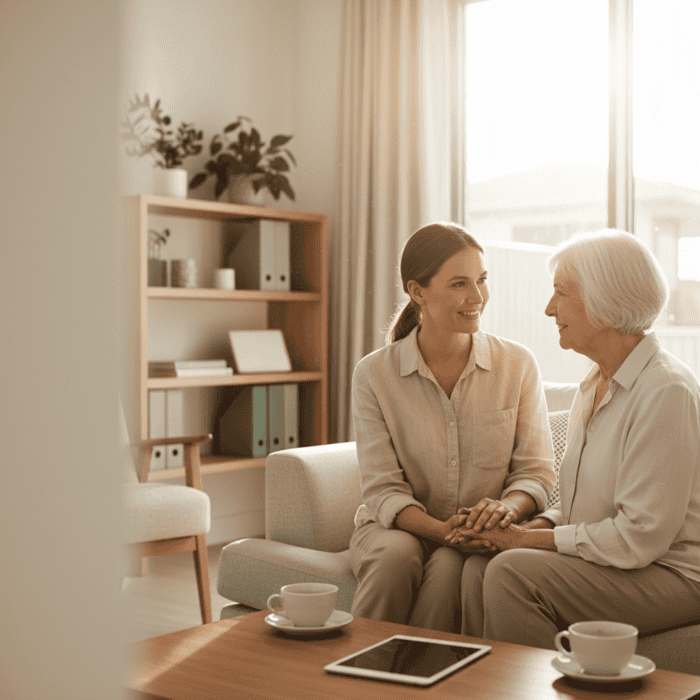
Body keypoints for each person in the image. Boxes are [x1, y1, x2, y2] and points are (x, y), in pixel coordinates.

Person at [448, 228, 700, 647]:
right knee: (478, 566)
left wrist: (527, 541)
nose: (549, 309)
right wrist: (526, 525)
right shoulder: (595, 384)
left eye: (561, 293)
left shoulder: (665, 391)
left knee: (511, 573)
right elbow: (586, 504)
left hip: (673, 573)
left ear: (605, 302)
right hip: (626, 562)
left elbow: (638, 537)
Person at [349, 222, 556, 634]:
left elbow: (536, 472)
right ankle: (358, 680)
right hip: (403, 527)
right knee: (396, 558)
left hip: (486, 533)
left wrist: (505, 511)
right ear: (417, 291)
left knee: (448, 568)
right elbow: (383, 489)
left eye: (481, 280)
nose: (477, 297)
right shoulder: (373, 374)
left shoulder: (517, 364)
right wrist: (443, 531)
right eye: (460, 284)